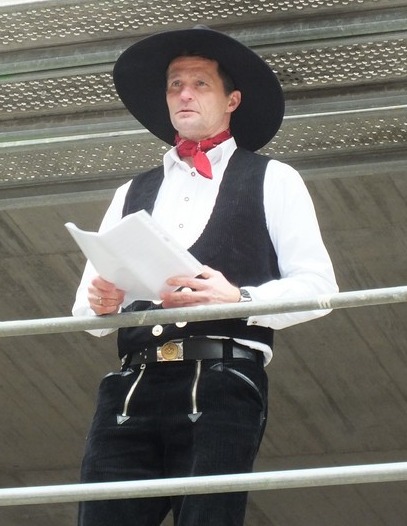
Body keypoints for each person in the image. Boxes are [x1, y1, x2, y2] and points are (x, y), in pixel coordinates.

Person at [72, 26, 338, 526]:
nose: (184, 94)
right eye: (175, 85)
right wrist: (104, 305)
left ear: (232, 100)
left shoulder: (274, 178)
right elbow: (86, 315)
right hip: (132, 385)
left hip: (222, 381)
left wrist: (239, 298)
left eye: (200, 84)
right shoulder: (132, 190)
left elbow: (320, 288)